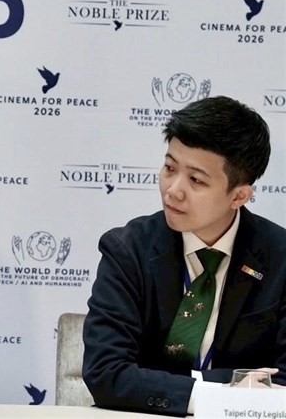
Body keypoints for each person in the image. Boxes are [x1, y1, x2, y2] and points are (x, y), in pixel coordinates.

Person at [83, 95, 286, 415]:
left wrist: (171, 383)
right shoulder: (128, 250)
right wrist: (217, 391)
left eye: (196, 180)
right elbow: (106, 373)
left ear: (239, 195)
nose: (173, 190)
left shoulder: (280, 258)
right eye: (169, 168)